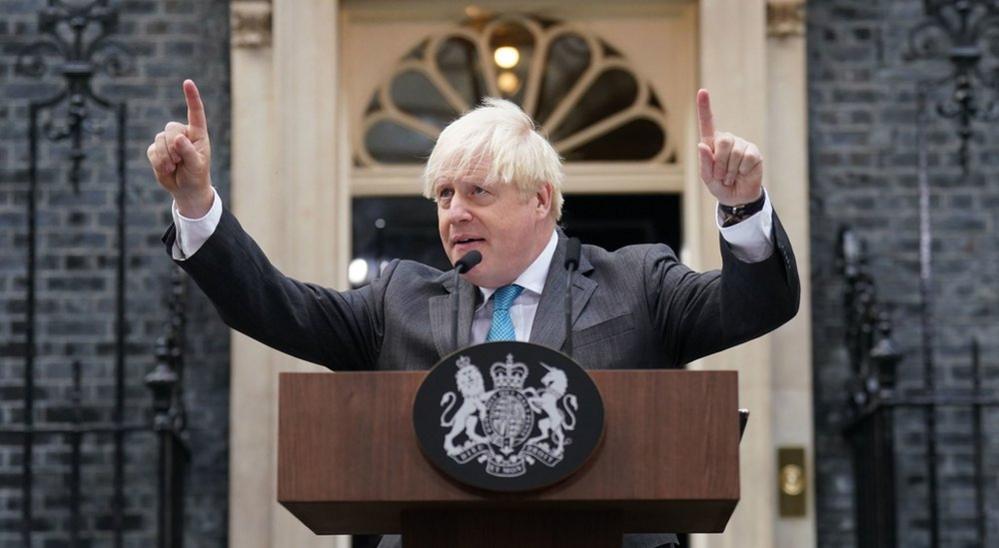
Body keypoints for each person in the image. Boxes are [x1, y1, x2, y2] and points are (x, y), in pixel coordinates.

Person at [147, 80, 799, 548]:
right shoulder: (397, 298)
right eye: (443, 193)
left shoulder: (636, 282)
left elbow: (751, 306)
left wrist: (741, 212)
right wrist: (198, 204)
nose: (453, 212)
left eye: (477, 192)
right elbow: (275, 308)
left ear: (541, 200)